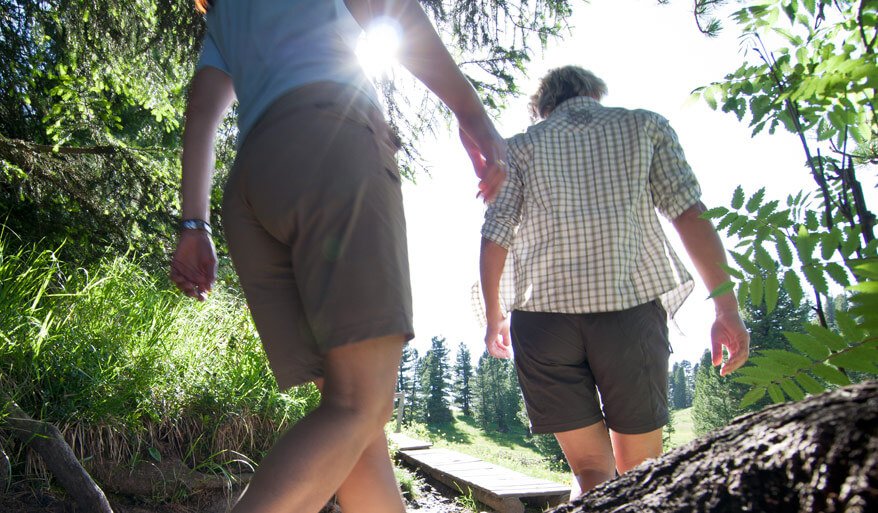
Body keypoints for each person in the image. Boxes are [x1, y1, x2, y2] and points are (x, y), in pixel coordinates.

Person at [169, 1, 508, 512]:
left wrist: (193, 224)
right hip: (330, 140)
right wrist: (471, 112)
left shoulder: (224, 11)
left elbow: (202, 110)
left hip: (254, 188)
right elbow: (392, 10)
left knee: (356, 427)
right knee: (359, 407)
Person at [478, 65, 750, 498]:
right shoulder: (644, 126)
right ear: (594, 93)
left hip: (543, 326)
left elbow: (495, 237)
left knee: (590, 472)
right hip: (628, 314)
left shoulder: (519, 148)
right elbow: (688, 213)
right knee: (641, 472)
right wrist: (725, 308)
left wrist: (494, 314)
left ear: (543, 107)